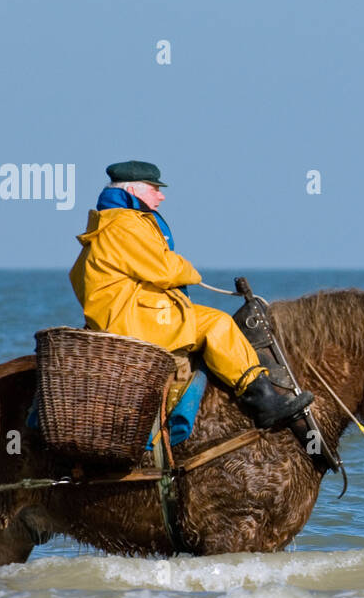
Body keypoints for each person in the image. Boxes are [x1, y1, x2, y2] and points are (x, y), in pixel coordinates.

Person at [68, 160, 313, 429]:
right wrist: (190, 270)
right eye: (154, 188)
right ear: (133, 191)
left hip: (122, 316)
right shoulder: (125, 224)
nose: (161, 195)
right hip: (132, 322)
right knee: (218, 324)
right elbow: (165, 268)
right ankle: (264, 401)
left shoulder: (109, 223)